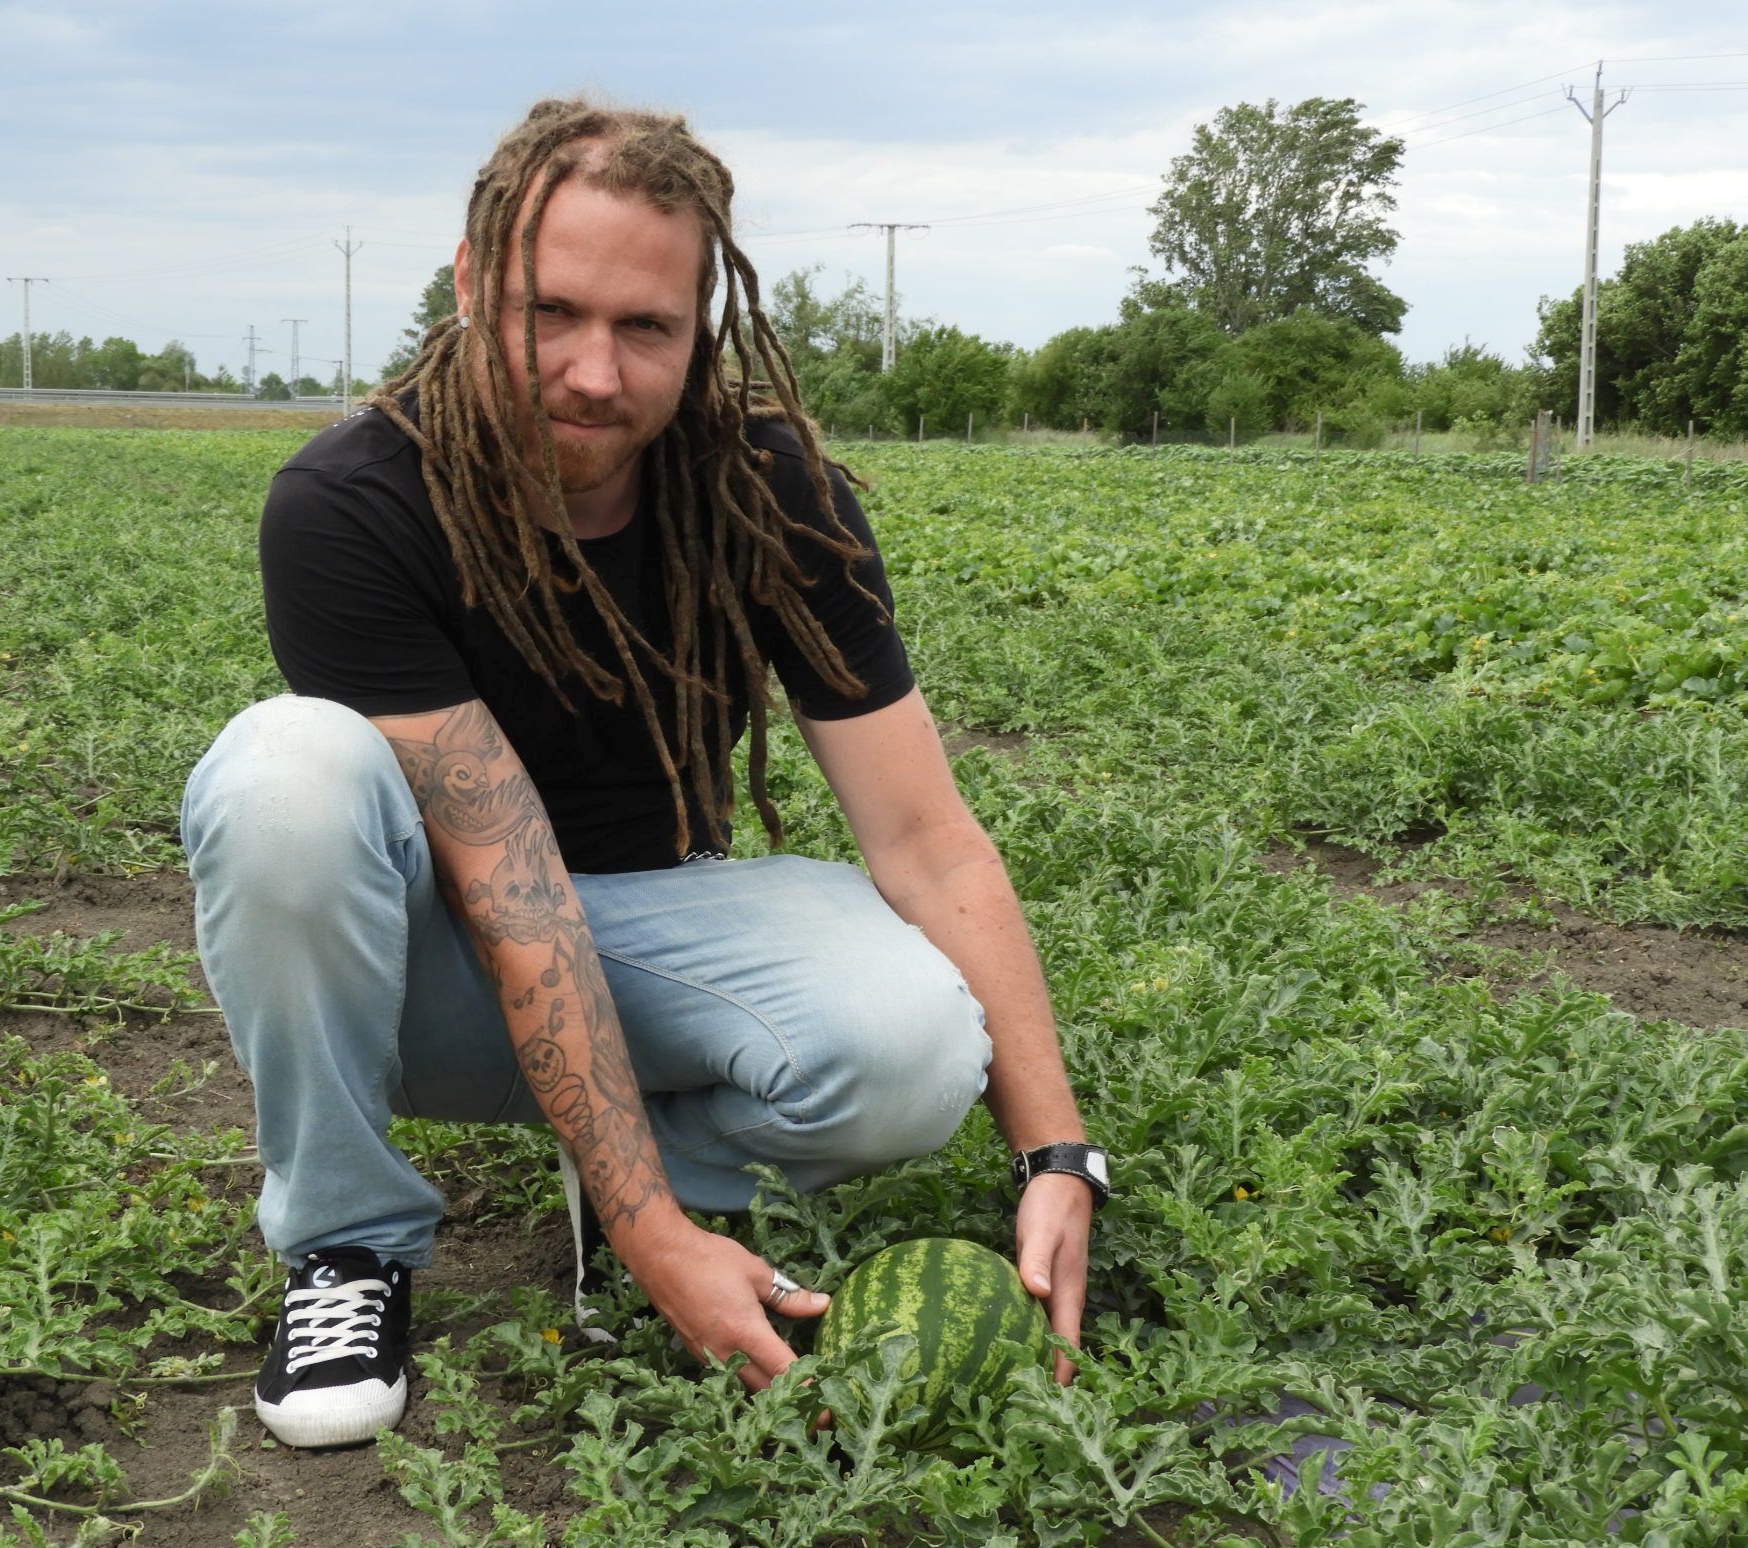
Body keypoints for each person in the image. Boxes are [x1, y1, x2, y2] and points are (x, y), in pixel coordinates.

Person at [180, 97, 1108, 1449]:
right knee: (285, 776)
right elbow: (509, 890)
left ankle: (613, 1145)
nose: (593, 373)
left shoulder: (769, 490)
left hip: (648, 920)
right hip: (422, 959)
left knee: (915, 1047)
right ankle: (346, 1244)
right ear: (465, 281)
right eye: (548, 312)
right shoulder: (353, 503)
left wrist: (1057, 1153)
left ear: (701, 328)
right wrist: (652, 1234)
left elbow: (927, 841)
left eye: (644, 328)